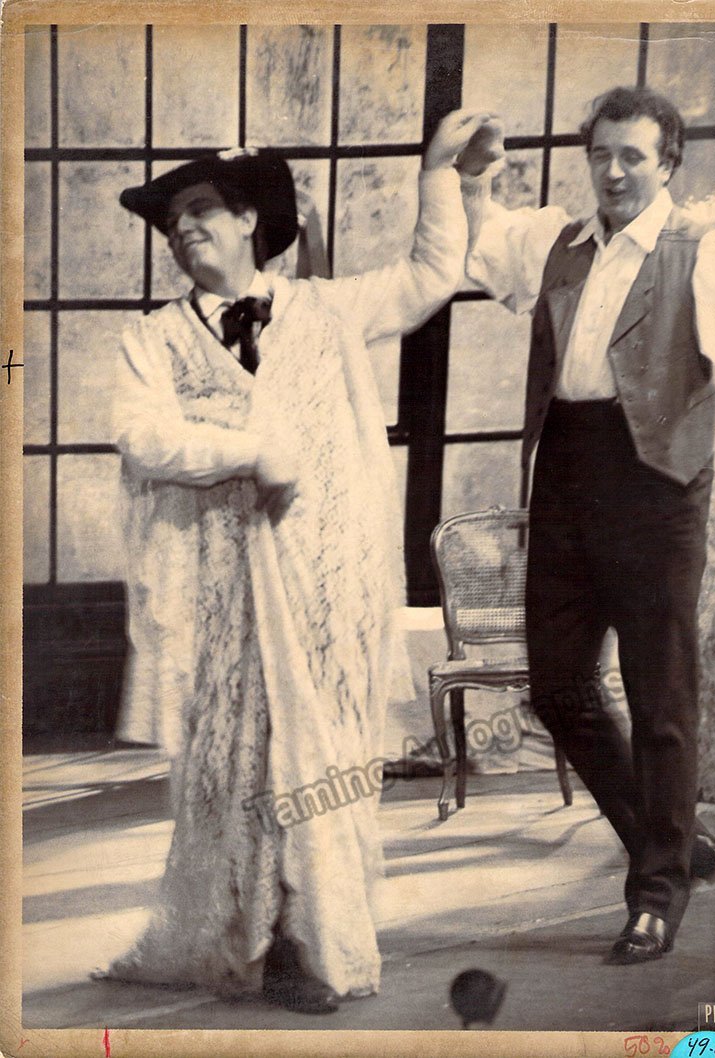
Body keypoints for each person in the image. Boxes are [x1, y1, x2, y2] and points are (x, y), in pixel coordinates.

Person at [103, 110, 487, 1011]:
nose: (182, 230)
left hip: (325, 584)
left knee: (321, 760)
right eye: (171, 222)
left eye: (200, 209)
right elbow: (140, 434)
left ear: (250, 220)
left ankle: (311, 936)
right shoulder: (152, 339)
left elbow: (429, 276)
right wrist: (249, 451)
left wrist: (441, 173)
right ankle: (253, 935)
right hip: (217, 591)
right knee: (235, 765)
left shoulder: (327, 310)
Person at [454, 86, 715, 964]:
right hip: (566, 472)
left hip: (657, 486)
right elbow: (485, 255)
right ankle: (675, 843)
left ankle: (655, 893)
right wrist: (472, 182)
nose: (613, 172)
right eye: (601, 155)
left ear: (668, 164)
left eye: (633, 157)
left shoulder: (703, 253)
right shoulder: (562, 244)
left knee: (661, 701)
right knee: (557, 689)